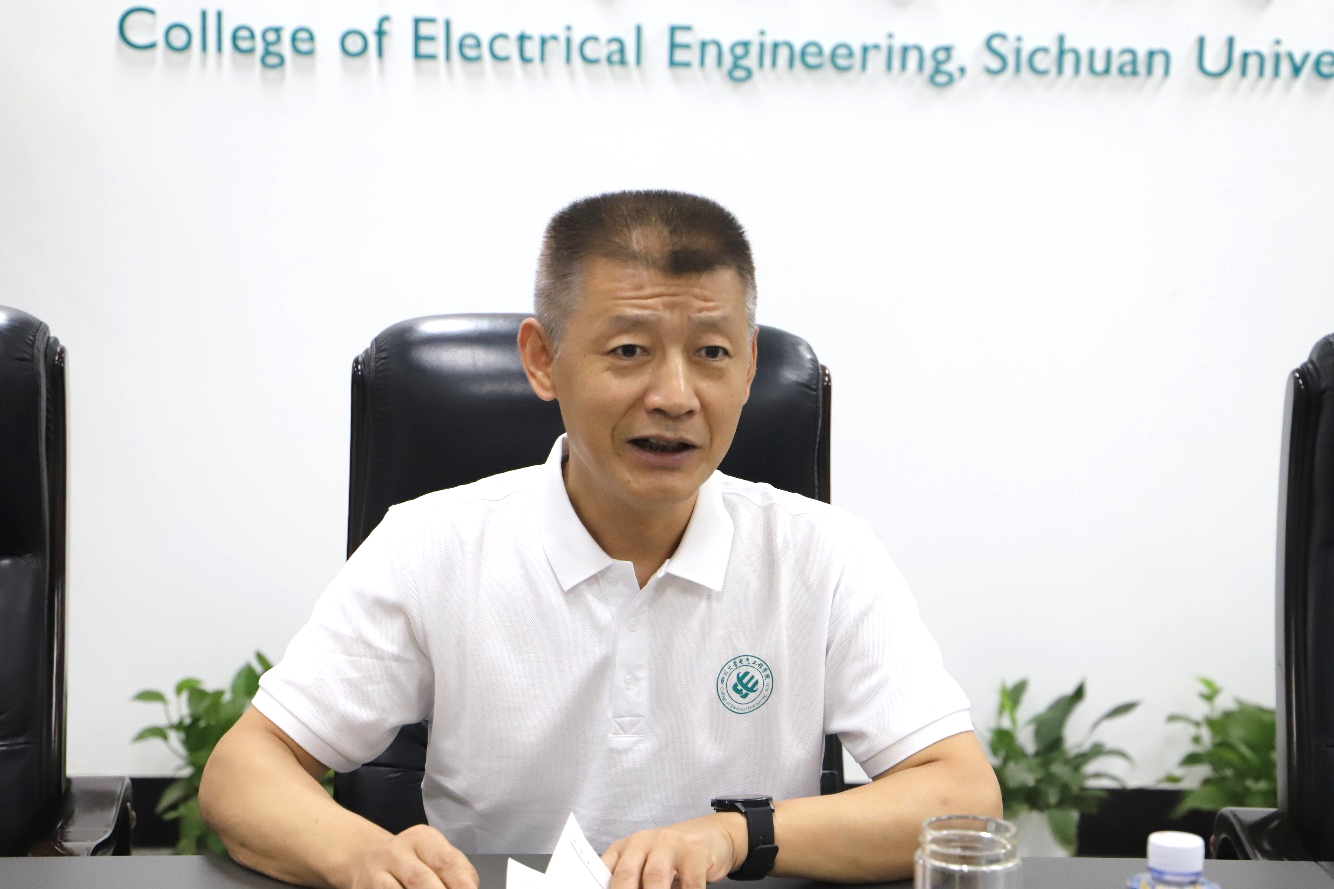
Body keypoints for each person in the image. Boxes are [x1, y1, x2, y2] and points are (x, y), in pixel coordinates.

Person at [199, 190, 1001, 889]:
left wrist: (735, 835)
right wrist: (360, 854)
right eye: (629, 351)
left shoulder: (824, 554)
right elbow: (245, 769)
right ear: (542, 360)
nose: (676, 396)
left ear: (750, 366)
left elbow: (962, 794)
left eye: (712, 352)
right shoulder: (432, 546)